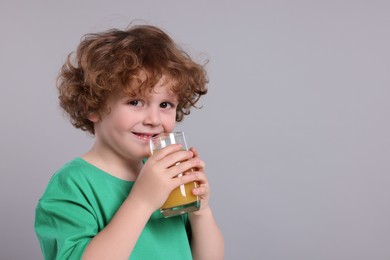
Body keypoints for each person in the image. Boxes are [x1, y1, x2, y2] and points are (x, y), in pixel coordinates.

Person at [34, 24, 224, 259]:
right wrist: (142, 201)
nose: (154, 120)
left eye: (165, 105)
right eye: (135, 102)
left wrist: (201, 211)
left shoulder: (167, 178)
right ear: (92, 107)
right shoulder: (72, 184)